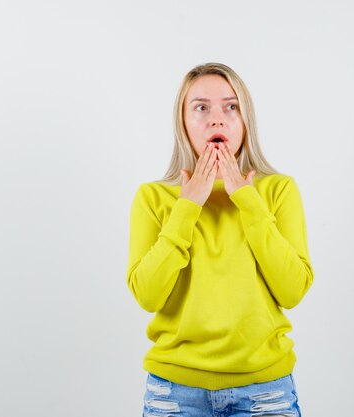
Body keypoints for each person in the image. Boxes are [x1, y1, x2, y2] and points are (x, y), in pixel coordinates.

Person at [126, 62, 315, 417]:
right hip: (174, 393)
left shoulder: (278, 190)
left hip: (265, 392)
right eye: (201, 107)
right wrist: (187, 205)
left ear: (246, 120)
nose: (217, 119)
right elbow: (147, 295)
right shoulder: (152, 197)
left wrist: (246, 200)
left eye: (231, 107)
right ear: (182, 121)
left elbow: (293, 290)